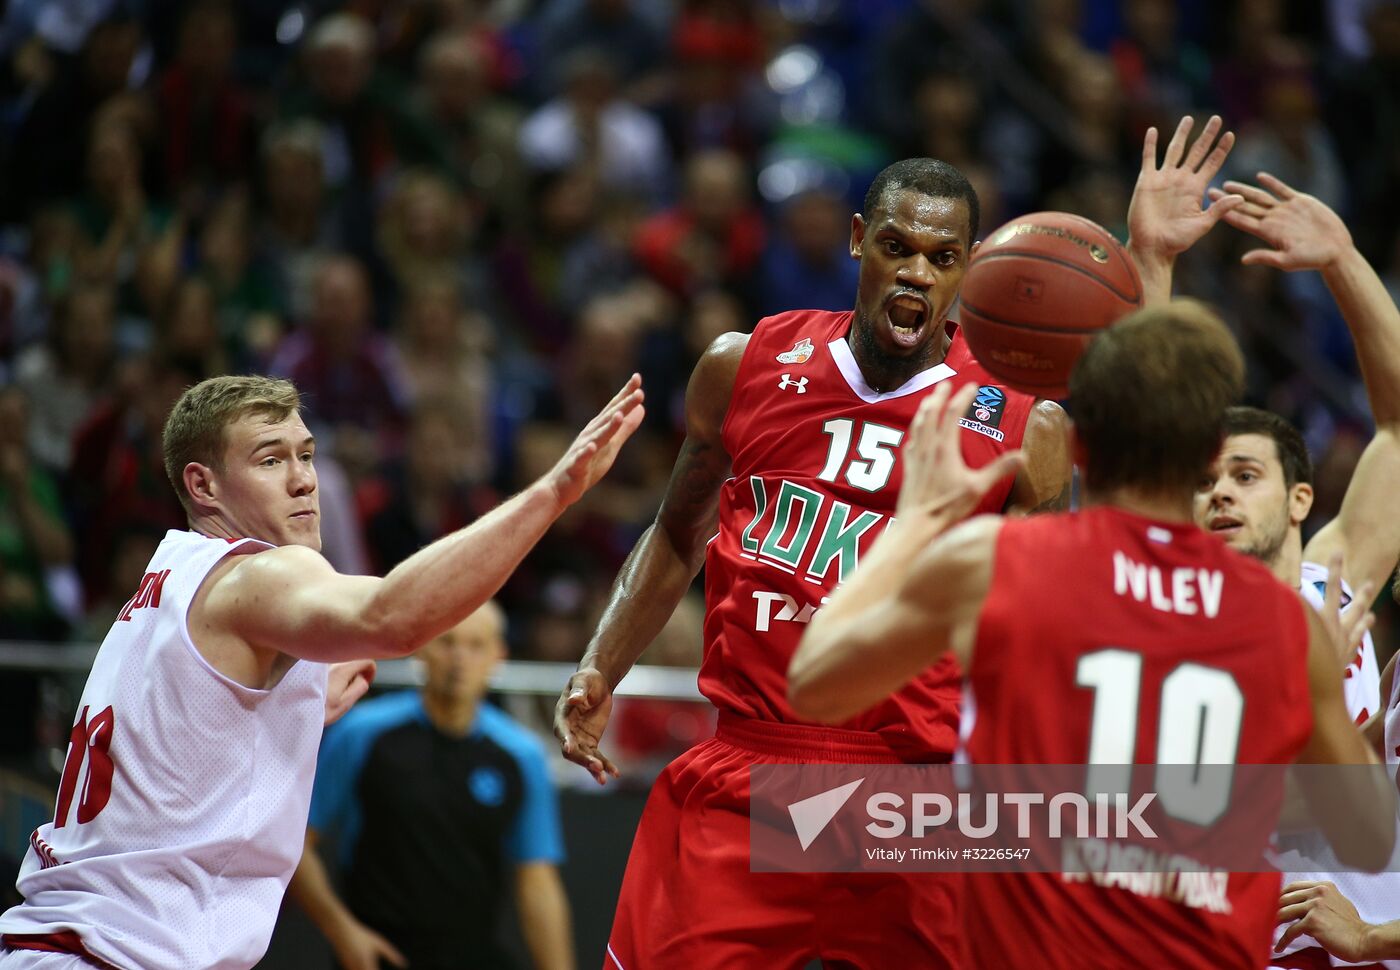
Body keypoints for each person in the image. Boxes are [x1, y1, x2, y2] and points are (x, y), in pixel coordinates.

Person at [788, 304, 1397, 969]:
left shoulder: (1000, 561)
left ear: (1077, 448)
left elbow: (814, 686)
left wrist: (912, 527)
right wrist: (1324, 709)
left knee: (818, 820)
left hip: (1039, 953)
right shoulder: (1286, 623)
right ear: (1204, 455)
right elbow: (1368, 835)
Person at [0, 372, 643, 970]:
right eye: (270, 459)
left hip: (58, 942)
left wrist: (301, 699)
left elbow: (198, 731)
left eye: (305, 454)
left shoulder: (168, 578)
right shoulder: (260, 570)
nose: (304, 479)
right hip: (121, 952)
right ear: (203, 487)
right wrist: (554, 491)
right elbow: (396, 617)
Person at [1187, 175, 1400, 969]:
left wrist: (1342, 259)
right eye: (1204, 480)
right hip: (1247, 939)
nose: (1220, 494)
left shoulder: (1337, 577)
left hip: (1371, 935)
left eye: (1244, 475)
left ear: (1302, 496)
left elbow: (1398, 426)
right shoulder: (1168, 611)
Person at [290, 601, 574, 970]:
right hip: (379, 955)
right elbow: (296, 842)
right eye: (447, 643)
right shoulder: (362, 732)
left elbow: (538, 881)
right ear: (421, 650)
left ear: (498, 657)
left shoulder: (521, 755)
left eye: (475, 646)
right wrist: (343, 931)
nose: (459, 659)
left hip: (474, 954)